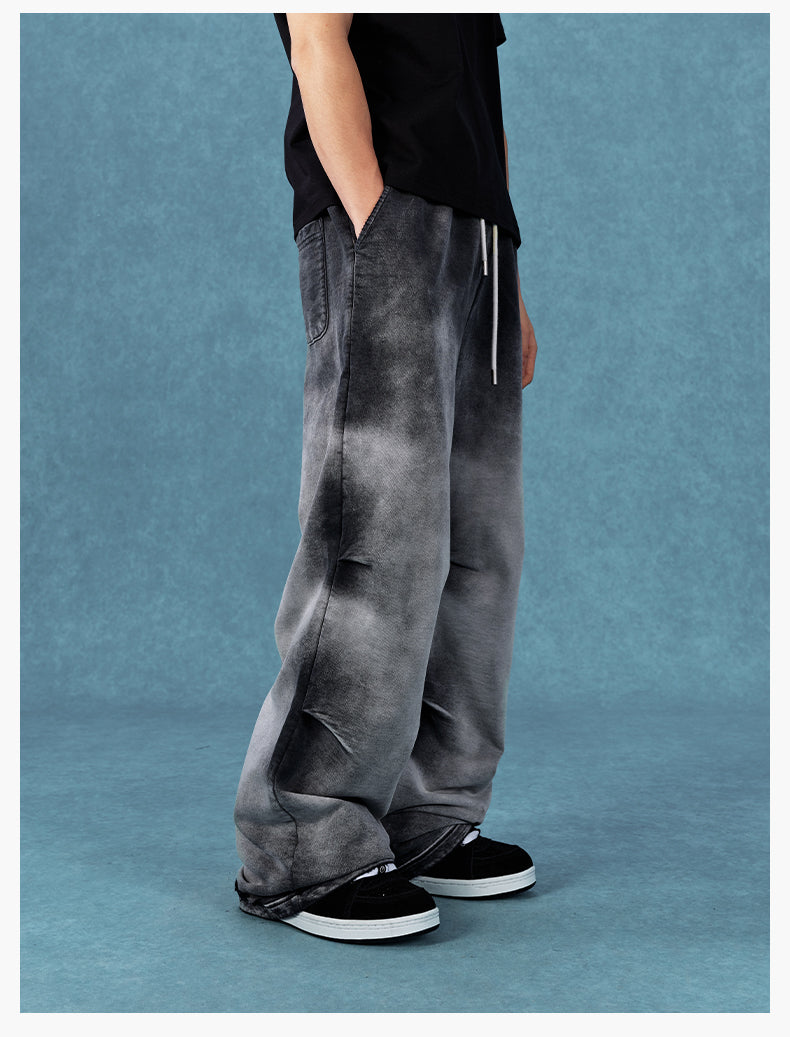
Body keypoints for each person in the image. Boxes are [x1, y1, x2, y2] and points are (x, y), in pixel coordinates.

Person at [233, 11, 538, 942]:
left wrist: (508, 263)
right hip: (383, 209)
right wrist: (374, 225)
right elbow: (317, 37)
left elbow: (478, 96)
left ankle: (429, 813)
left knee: (477, 550)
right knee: (375, 538)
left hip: (476, 240)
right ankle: (303, 835)